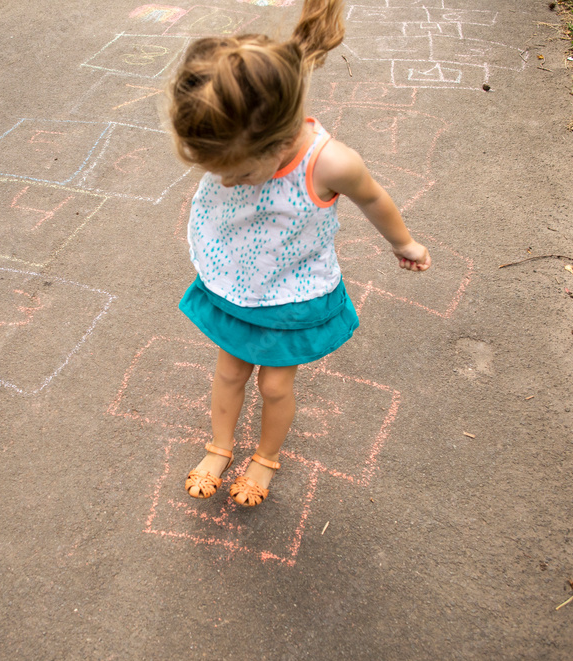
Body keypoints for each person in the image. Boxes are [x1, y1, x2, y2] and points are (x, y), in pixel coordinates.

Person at [170, 0, 431, 507]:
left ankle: (265, 458)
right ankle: (220, 446)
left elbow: (374, 198)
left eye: (238, 174)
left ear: (279, 140)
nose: (226, 181)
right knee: (228, 371)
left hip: (291, 289)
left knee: (274, 387)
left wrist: (404, 243)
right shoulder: (235, 131)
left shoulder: (330, 163)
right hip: (236, 282)